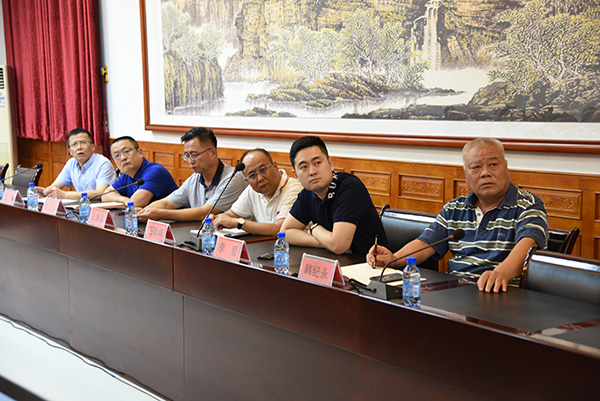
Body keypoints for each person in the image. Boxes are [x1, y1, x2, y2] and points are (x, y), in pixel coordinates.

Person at [367, 137, 548, 293]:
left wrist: (501, 273)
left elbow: (527, 246)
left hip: (501, 292)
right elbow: (426, 243)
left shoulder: (528, 205)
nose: (485, 173)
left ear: (506, 167)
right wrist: (394, 259)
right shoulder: (455, 208)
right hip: (455, 291)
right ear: (466, 175)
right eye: (476, 167)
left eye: (493, 165)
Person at [280, 136, 388, 258]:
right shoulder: (308, 193)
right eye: (304, 167)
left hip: (369, 263)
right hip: (338, 261)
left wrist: (314, 229)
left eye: (317, 163)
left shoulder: (350, 188)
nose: (312, 171)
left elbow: (338, 245)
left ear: (330, 164)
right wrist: (324, 243)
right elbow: (285, 232)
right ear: (296, 175)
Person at [138, 127, 247, 221]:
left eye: (194, 155)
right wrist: (143, 212)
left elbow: (204, 213)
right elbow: (166, 203)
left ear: (212, 152)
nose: (190, 161)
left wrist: (160, 214)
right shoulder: (195, 178)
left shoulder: (233, 178)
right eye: (187, 155)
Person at [213, 148, 303, 236]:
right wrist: (216, 218)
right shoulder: (252, 190)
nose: (260, 178)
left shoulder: (294, 189)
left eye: (263, 170)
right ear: (247, 181)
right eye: (252, 175)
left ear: (275, 166)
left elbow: (281, 230)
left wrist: (238, 223)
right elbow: (230, 215)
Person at [101, 136, 178, 207]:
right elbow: (105, 195)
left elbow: (135, 204)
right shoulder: (126, 174)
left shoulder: (155, 171)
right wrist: (124, 200)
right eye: (117, 156)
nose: (123, 158)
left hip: (172, 217)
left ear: (140, 152)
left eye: (127, 152)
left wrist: (127, 201)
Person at [42, 128, 116, 200]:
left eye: (83, 142)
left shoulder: (103, 163)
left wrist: (65, 195)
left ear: (92, 147)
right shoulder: (71, 163)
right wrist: (44, 192)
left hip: (102, 206)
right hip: (82, 206)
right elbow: (55, 186)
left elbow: (100, 193)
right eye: (74, 144)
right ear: (70, 151)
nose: (79, 147)